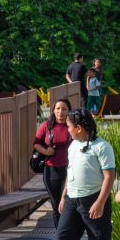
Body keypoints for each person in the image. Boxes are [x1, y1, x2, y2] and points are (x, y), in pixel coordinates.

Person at [50, 109, 115, 240]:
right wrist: (63, 196)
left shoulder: (102, 147)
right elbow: (71, 174)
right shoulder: (73, 146)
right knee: (63, 239)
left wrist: (100, 202)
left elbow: (109, 177)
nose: (67, 130)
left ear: (79, 128)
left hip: (93, 199)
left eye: (69, 127)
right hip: (72, 199)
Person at [33, 98, 72, 228]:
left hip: (69, 170)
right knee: (56, 205)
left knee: (67, 203)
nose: (60, 112)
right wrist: (45, 151)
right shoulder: (47, 126)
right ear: (53, 110)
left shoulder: (72, 125)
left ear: (68, 111)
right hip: (51, 170)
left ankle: (68, 234)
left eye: (64, 109)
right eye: (58, 108)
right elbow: (36, 143)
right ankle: (59, 235)